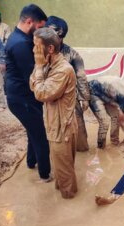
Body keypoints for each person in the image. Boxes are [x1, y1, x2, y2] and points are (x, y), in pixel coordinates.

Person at [30, 27, 78, 199]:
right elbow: (33, 84)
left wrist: (37, 65)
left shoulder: (63, 70)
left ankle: (70, 211)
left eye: (37, 46)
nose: (34, 50)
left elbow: (41, 93)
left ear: (50, 48)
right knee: (60, 167)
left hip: (62, 128)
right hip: (55, 125)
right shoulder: (48, 65)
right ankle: (65, 194)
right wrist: (39, 67)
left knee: (64, 172)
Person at [5, 4, 51, 182]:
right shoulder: (21, 44)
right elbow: (32, 78)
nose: (40, 32)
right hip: (22, 99)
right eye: (40, 27)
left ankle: (31, 162)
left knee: (33, 131)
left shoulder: (18, 37)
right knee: (40, 136)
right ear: (30, 21)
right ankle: (45, 175)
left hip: (20, 96)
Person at [45, 16, 90, 152]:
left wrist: (85, 98)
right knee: (51, 127)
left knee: (78, 124)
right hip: (48, 98)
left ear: (61, 36)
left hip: (69, 97)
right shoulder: (40, 52)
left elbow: (81, 76)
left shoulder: (72, 55)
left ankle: (81, 149)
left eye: (54, 35)